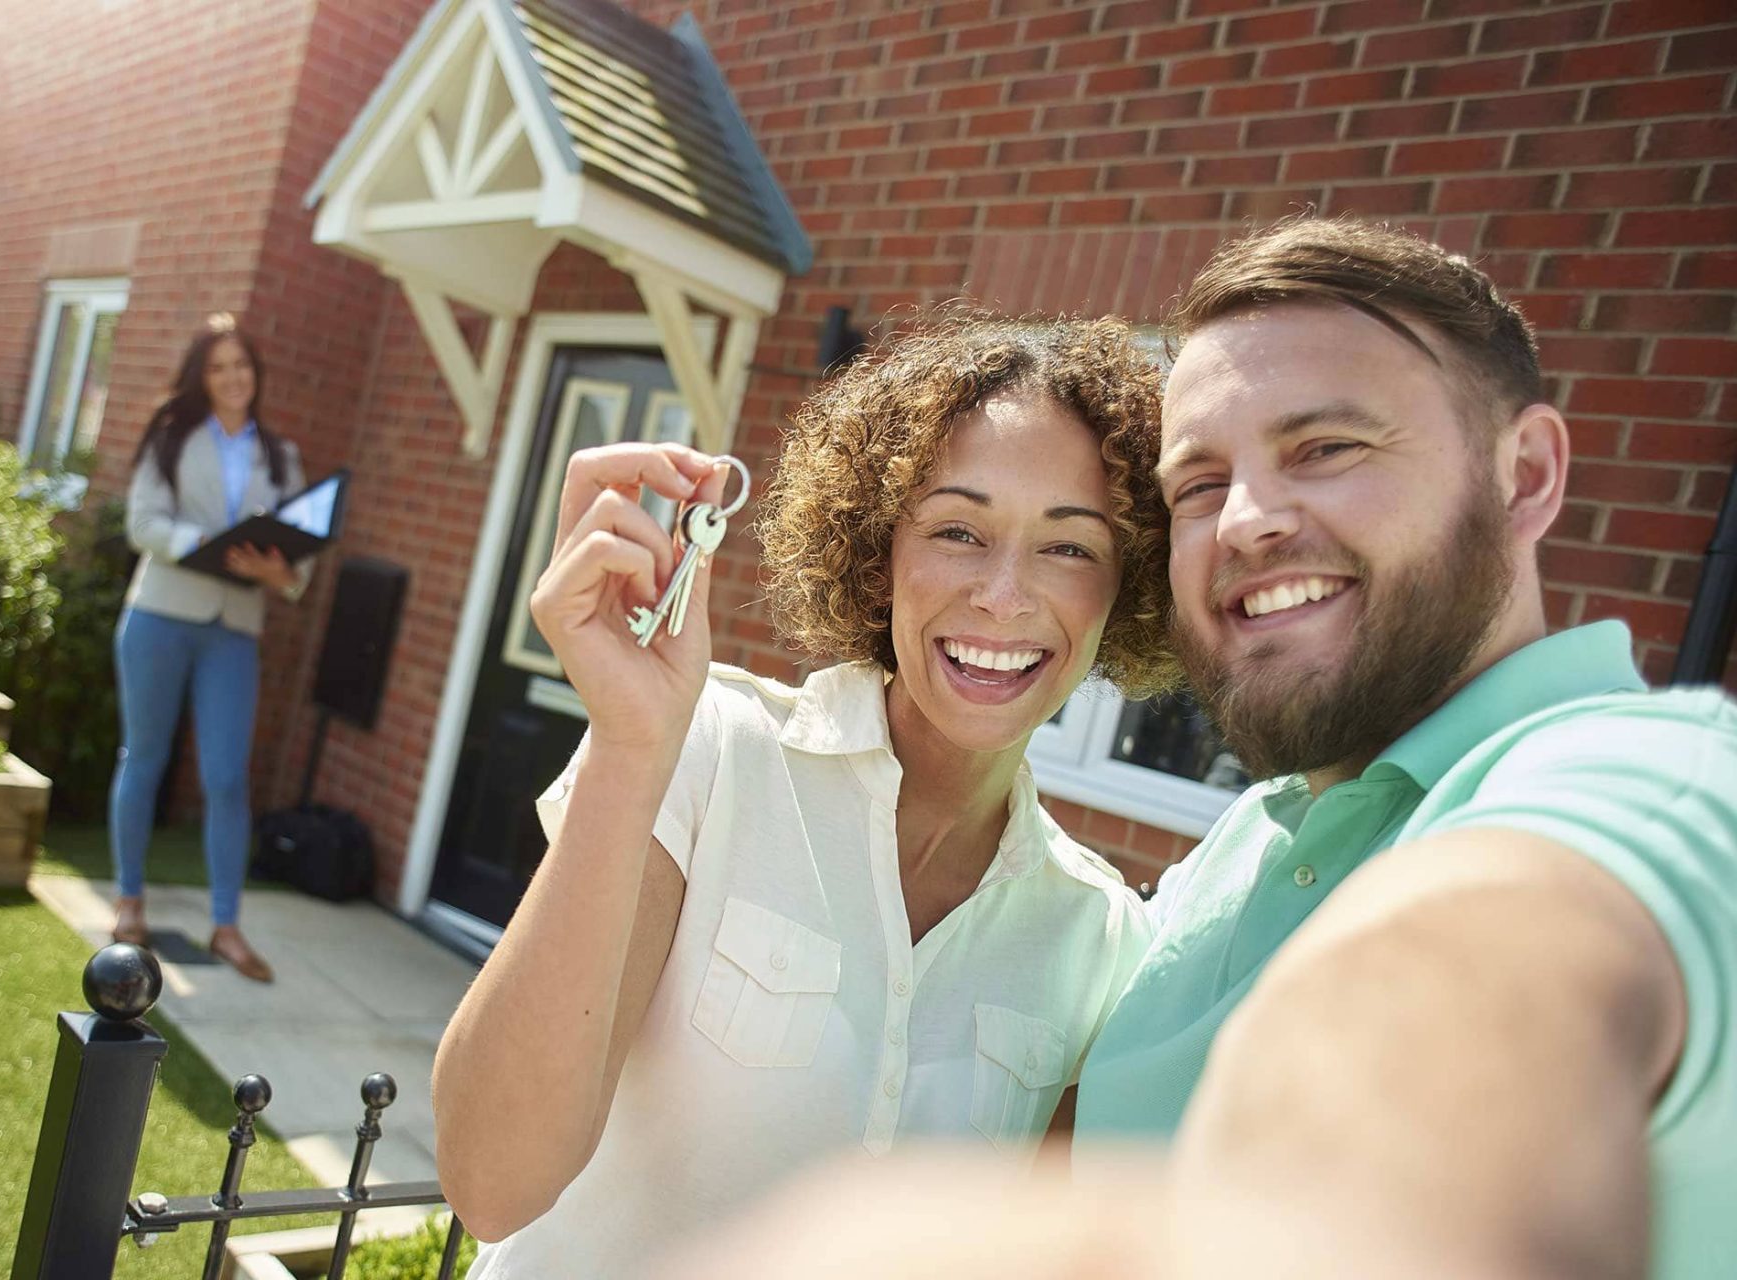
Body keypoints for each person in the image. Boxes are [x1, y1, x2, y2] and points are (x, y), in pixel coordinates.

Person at [666, 218, 1737, 1280]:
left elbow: (1491, 971)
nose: (1247, 521)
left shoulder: (1658, 775)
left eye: (1326, 448)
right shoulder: (1231, 859)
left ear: (1527, 474)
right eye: (1200, 484)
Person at [431, 313, 1182, 1278]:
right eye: (958, 530)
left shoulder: (1103, 942)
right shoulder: (707, 754)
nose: (1004, 594)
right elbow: (491, 1183)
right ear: (881, 557)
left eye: (1069, 548)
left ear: (1125, 589)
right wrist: (629, 741)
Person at [109, 313, 312, 983]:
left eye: (243, 366)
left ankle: (227, 927)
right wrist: (207, 547)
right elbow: (142, 523)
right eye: (220, 367)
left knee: (227, 776)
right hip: (161, 615)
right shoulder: (171, 438)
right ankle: (129, 901)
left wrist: (274, 573)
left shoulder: (280, 457)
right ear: (203, 375)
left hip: (234, 627)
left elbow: (297, 566)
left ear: (257, 376)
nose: (233, 378)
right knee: (145, 759)